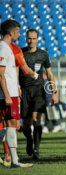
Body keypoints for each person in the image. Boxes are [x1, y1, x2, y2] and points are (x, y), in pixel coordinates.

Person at [20, 29, 59, 160]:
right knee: (25, 124)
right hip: (24, 90)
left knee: (37, 119)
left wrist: (54, 91)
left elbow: (49, 74)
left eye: (33, 38)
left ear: (37, 39)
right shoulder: (20, 53)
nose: (31, 41)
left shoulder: (43, 54)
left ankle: (36, 149)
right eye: (29, 38)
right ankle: (29, 140)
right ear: (26, 39)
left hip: (39, 90)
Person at [0, 19, 33, 168]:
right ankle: (14, 161)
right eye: (18, 32)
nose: (19, 34)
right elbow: (0, 74)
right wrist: (7, 94)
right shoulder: (3, 47)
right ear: (11, 32)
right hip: (7, 94)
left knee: (12, 125)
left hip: (12, 92)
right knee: (12, 125)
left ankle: (14, 160)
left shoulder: (8, 48)